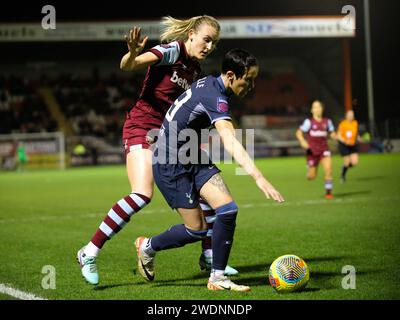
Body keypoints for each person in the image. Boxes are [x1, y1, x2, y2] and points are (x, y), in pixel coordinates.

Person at [77, 15, 237, 286]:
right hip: (143, 125)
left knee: (209, 193)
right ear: (191, 35)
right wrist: (131, 54)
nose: (210, 46)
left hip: (171, 136)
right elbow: (130, 66)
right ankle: (89, 252)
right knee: (142, 193)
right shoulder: (172, 51)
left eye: (215, 43)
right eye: (206, 39)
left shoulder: (195, 70)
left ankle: (209, 255)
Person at [134, 49, 284, 292]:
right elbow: (230, 139)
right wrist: (259, 177)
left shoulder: (212, 85)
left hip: (192, 155)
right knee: (197, 230)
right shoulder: (216, 96)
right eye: (249, 79)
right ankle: (147, 246)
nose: (253, 85)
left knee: (228, 209)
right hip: (169, 162)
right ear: (231, 75)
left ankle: (217, 277)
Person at [296, 100, 337, 199]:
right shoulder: (308, 122)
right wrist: (302, 141)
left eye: (319, 107)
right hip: (312, 152)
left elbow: (332, 133)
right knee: (311, 176)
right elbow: (298, 132)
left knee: (328, 170)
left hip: (324, 150)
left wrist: (336, 136)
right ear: (312, 110)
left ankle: (328, 193)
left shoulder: (327, 122)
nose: (317, 109)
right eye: (315, 107)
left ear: (322, 109)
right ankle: (309, 169)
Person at [337, 109, 360, 182]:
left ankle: (344, 167)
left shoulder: (355, 123)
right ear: (346, 116)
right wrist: (344, 141)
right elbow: (338, 135)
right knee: (347, 162)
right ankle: (342, 176)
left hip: (353, 145)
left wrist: (358, 138)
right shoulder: (342, 124)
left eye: (352, 114)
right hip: (344, 145)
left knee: (355, 162)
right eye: (349, 114)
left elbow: (356, 133)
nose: (351, 116)